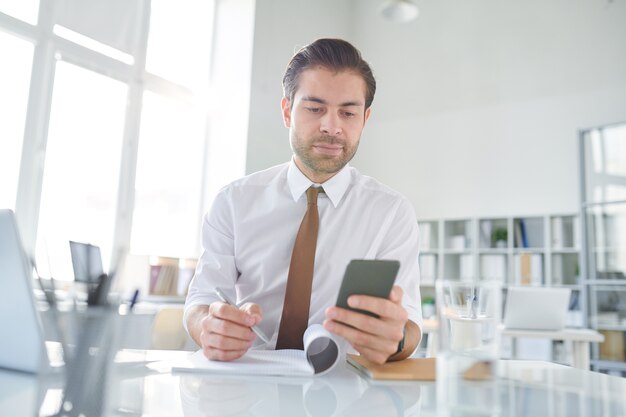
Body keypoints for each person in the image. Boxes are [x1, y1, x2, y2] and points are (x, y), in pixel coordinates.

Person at [184, 38, 422, 365]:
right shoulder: (233, 202)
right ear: (287, 111)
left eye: (348, 112)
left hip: (344, 388)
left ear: (365, 120)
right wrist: (206, 326)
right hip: (248, 381)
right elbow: (202, 299)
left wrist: (395, 340)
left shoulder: (391, 213)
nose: (331, 126)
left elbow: (410, 324)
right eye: (314, 108)